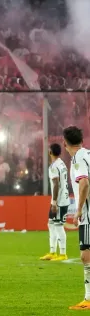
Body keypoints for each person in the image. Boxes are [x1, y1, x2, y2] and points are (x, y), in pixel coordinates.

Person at [64, 126, 90, 310]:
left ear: (65, 142)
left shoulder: (78, 158)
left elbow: (84, 182)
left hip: (88, 216)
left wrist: (79, 210)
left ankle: (88, 299)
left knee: (85, 256)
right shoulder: (88, 153)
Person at [40, 143, 69, 261]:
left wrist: (55, 202)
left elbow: (56, 183)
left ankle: (62, 253)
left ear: (50, 152)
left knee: (58, 225)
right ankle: (52, 251)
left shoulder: (53, 167)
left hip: (60, 201)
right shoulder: (62, 164)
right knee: (51, 224)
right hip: (61, 199)